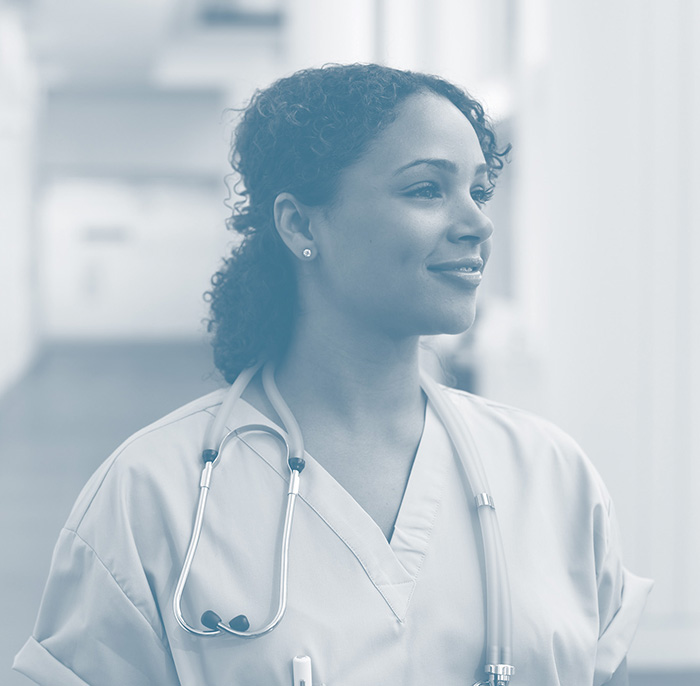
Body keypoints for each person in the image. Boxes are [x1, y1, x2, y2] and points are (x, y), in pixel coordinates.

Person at [14, 63, 651, 686]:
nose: (478, 223)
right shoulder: (150, 495)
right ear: (300, 223)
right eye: (426, 189)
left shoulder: (552, 474)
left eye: (478, 190)